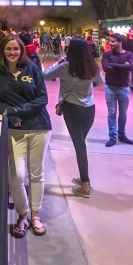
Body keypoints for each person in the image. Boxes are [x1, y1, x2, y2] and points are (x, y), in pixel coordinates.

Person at [0, 34, 52, 238]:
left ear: (22, 51)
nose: (12, 52)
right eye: (8, 49)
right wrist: (10, 113)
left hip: (39, 126)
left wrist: (17, 110)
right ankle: (22, 214)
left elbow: (42, 97)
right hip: (15, 131)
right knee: (16, 177)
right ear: (2, 52)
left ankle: (35, 216)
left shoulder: (32, 69)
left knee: (36, 173)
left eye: (16, 49)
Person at [43, 38, 104, 198]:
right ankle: (85, 179)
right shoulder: (92, 66)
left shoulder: (65, 66)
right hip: (89, 109)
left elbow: (45, 76)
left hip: (72, 108)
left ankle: (85, 184)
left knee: (79, 145)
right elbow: (99, 83)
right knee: (81, 142)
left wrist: (58, 63)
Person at [102, 33, 133, 147]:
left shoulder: (129, 54)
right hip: (110, 87)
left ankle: (122, 134)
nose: (110, 43)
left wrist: (114, 65)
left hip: (124, 88)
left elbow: (131, 67)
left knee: (123, 113)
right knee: (112, 113)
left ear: (120, 42)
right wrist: (123, 67)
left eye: (113, 41)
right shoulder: (107, 54)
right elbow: (106, 68)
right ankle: (112, 137)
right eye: (110, 41)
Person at [122, 28, 133, 93]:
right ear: (129, 33)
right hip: (127, 58)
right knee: (127, 73)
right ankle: (126, 85)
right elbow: (123, 50)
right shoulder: (125, 41)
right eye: (132, 32)